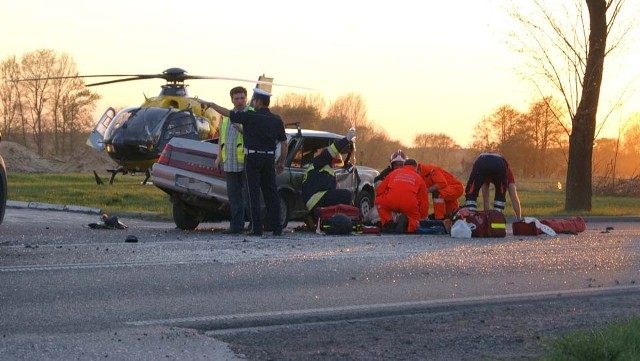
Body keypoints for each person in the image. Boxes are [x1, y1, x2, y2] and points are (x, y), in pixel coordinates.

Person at [204, 88, 288, 236]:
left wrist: (212, 105)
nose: (251, 103)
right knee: (271, 193)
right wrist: (281, 162)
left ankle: (256, 229)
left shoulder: (250, 116)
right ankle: (277, 227)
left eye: (253, 100)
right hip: (268, 159)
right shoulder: (277, 119)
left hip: (252, 159)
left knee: (253, 193)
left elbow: (227, 113)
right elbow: (284, 143)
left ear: (259, 101)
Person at [215, 86, 250, 234]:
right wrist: (218, 157)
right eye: (236, 98)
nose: (240, 101)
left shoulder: (250, 115)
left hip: (245, 162)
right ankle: (236, 226)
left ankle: (252, 224)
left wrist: (240, 129)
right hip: (229, 161)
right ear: (232, 100)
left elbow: (254, 135)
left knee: (248, 195)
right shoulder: (226, 117)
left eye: (242, 98)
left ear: (246, 99)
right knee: (234, 196)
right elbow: (221, 138)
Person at [302, 129, 356, 212]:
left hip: (315, 199)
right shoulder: (320, 160)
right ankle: (345, 219)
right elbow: (332, 150)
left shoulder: (322, 168)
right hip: (315, 198)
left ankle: (335, 218)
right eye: (334, 162)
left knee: (341, 194)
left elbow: (329, 189)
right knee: (346, 195)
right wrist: (347, 139)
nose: (334, 165)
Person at [375, 158, 429, 233]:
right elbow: (424, 201)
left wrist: (386, 196)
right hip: (409, 205)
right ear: (415, 167)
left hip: (391, 201)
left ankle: (388, 223)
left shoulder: (394, 173)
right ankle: (408, 222)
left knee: (378, 201)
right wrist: (423, 217)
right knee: (416, 223)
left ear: (404, 165)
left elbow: (379, 190)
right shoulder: (419, 178)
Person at [464, 152, 522, 219]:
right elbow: (514, 197)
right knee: (500, 196)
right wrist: (519, 218)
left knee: (471, 193)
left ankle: (471, 220)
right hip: (499, 164)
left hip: (482, 162)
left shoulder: (485, 174)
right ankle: (497, 218)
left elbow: (486, 199)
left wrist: (486, 217)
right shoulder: (507, 173)